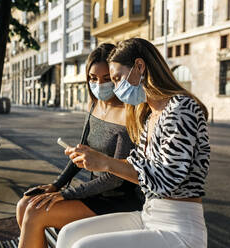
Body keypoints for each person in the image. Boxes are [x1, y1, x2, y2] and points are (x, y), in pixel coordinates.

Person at [59, 38, 210, 248]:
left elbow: (167, 180)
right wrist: (92, 158)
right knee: (69, 234)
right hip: (149, 215)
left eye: (118, 78)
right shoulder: (150, 116)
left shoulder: (181, 108)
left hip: (179, 226)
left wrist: (105, 162)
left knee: (83, 246)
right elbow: (135, 164)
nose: (116, 88)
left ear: (139, 66)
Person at [16, 43, 143, 248]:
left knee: (34, 212)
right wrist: (56, 185)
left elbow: (115, 179)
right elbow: (80, 151)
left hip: (117, 200)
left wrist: (65, 194)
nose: (99, 84)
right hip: (93, 193)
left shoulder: (127, 113)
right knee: (24, 204)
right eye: (93, 78)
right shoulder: (94, 105)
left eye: (106, 78)